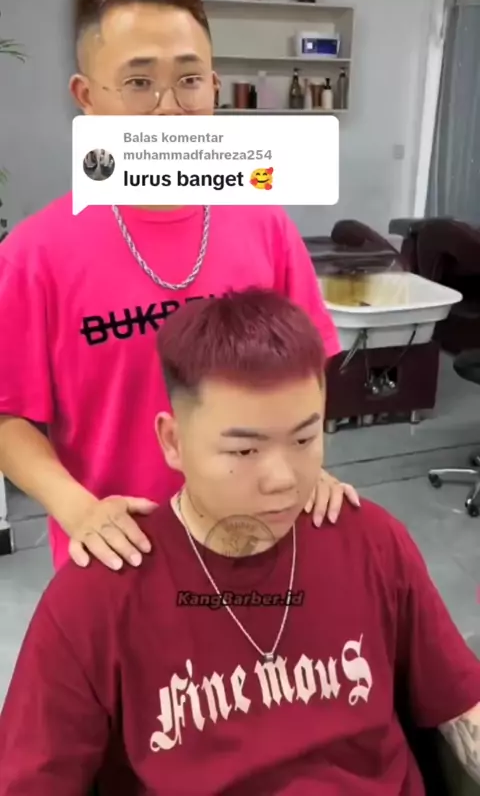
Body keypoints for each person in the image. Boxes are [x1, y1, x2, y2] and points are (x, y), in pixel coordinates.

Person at [1, 288, 479, 796]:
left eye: (304, 439)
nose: (283, 479)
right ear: (173, 442)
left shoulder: (370, 543)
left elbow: (460, 703)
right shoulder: (99, 598)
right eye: (245, 450)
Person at [0, 0, 359, 574]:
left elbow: (310, 364)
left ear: (214, 88)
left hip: (261, 547)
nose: (170, 109)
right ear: (87, 98)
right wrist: (79, 509)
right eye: (139, 83)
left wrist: (302, 464)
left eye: (189, 80)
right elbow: (8, 415)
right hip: (122, 562)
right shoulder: (33, 256)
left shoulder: (265, 225)